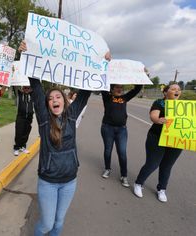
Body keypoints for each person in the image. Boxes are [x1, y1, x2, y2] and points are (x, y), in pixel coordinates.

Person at [19, 40, 111, 236]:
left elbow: (87, 89)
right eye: (51, 98)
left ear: (65, 100)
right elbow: (35, 88)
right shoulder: (44, 120)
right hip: (48, 182)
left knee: (59, 222)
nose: (54, 100)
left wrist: (102, 64)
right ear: (47, 103)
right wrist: (26, 55)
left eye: (58, 97)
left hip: (70, 181)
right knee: (46, 224)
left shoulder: (72, 115)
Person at [134, 84, 183, 202]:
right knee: (152, 164)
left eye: (179, 90)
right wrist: (158, 119)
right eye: (173, 89)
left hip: (176, 140)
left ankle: (162, 189)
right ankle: (138, 183)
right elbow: (154, 116)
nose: (177, 91)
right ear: (165, 93)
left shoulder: (185, 107)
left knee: (167, 166)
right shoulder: (159, 103)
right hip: (157, 138)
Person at [100, 83, 143, 187]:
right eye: (117, 87)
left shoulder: (125, 98)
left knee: (122, 152)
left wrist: (141, 76)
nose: (119, 89)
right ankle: (107, 169)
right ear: (112, 89)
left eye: (121, 87)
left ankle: (124, 175)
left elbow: (137, 89)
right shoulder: (107, 97)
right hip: (107, 128)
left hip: (122, 130)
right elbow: (102, 85)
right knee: (107, 150)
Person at [13, 85, 34, 156]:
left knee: (26, 132)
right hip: (21, 117)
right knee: (19, 132)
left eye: (28, 88)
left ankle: (23, 146)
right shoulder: (19, 94)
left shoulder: (32, 95)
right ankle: (16, 147)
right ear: (22, 88)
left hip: (29, 117)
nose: (26, 89)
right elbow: (15, 87)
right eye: (25, 88)